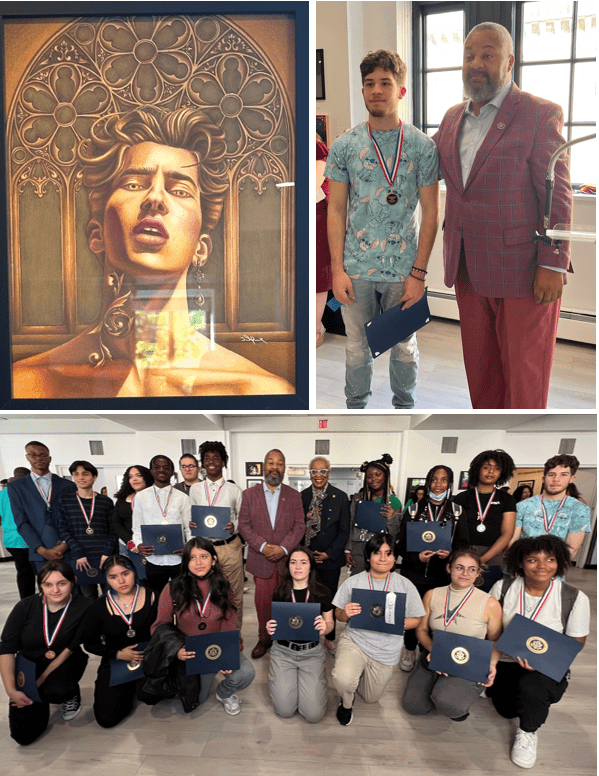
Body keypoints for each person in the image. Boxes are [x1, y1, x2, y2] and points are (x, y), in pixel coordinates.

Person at [12, 107, 293, 398]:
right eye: (133, 184)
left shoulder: (256, 389)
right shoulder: (26, 384)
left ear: (201, 247)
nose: (155, 198)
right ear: (97, 236)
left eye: (180, 190)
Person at [433, 22, 572, 409]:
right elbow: (421, 167)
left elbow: (557, 196)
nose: (476, 63)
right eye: (469, 55)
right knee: (481, 375)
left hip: (524, 270)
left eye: (488, 54)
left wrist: (554, 263)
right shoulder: (450, 118)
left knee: (525, 377)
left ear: (509, 61)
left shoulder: (539, 114)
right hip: (466, 268)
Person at [325, 49, 439, 409]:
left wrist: (418, 273)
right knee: (357, 344)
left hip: (404, 271)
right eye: (369, 83)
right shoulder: (344, 146)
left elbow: (432, 213)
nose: (377, 90)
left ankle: (404, 406)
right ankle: (355, 407)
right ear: (362, 91)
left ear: (401, 91)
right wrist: (337, 269)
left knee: (404, 344)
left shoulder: (422, 146)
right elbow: (336, 209)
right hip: (356, 270)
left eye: (385, 83)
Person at [488, 536, 589, 768]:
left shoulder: (573, 597)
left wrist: (541, 661)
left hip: (545, 664)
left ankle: (528, 732)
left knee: (533, 690)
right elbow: (490, 629)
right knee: (505, 710)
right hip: (505, 659)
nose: (542, 566)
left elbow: (576, 642)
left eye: (550, 559)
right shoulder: (502, 588)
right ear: (520, 563)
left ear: (560, 562)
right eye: (533, 559)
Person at [146, 538, 255, 715]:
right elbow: (159, 626)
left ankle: (223, 693)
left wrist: (226, 657)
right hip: (189, 653)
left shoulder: (223, 586)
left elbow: (229, 623)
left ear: (214, 560)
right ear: (186, 561)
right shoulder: (173, 588)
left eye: (204, 556)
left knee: (246, 673)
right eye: (192, 558)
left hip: (216, 648)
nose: (198, 563)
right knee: (198, 700)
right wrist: (177, 650)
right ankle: (199, 677)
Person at [332, 534, 424, 725]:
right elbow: (337, 614)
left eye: (388, 553)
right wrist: (345, 613)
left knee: (370, 697)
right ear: (368, 557)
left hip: (386, 650)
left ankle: (356, 678)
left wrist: (401, 622)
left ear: (394, 557)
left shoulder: (405, 585)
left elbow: (417, 619)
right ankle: (346, 703)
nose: (383, 558)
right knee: (343, 680)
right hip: (356, 641)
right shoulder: (354, 582)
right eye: (377, 553)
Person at [402, 549, 502, 721]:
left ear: (478, 572)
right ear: (449, 568)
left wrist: (492, 664)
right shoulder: (432, 594)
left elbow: (495, 639)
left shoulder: (490, 603)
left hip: (467, 659)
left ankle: (455, 694)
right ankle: (443, 689)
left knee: (449, 704)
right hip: (433, 654)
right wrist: (435, 651)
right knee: (413, 706)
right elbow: (421, 630)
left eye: (472, 569)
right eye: (459, 567)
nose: (465, 573)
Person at [0, 560, 90, 745]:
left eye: (62, 583)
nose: (55, 590)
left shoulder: (84, 606)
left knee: (56, 691)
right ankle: (41, 699)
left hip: (65, 661)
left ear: (73, 581)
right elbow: (7, 649)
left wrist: (38, 684)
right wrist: (11, 690)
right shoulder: (25, 606)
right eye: (47, 584)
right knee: (23, 737)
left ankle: (70, 694)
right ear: (40, 585)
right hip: (28, 665)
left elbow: (73, 646)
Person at [238, 449, 305, 659]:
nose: (275, 467)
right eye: (270, 462)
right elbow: (244, 525)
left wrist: (283, 549)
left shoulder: (294, 496)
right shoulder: (249, 495)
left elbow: (299, 526)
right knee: (263, 604)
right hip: (261, 560)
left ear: (284, 468)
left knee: (288, 602)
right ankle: (264, 639)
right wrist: (264, 546)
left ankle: (285, 638)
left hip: (287, 562)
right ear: (264, 466)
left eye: (280, 463)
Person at [83, 554, 158, 728]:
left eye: (125, 573)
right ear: (107, 579)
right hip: (116, 661)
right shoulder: (98, 607)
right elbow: (89, 644)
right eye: (113, 577)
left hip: (148, 657)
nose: (121, 581)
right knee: (106, 719)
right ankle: (127, 688)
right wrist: (118, 654)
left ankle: (137, 685)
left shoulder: (153, 597)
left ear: (134, 572)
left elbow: (164, 631)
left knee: (151, 696)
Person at [396, 465, 459, 671]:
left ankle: (429, 651)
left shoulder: (456, 511)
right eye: (434, 480)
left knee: (435, 616)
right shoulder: (413, 510)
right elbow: (401, 545)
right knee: (411, 613)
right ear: (427, 482)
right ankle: (409, 648)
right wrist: (417, 557)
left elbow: (463, 544)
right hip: (414, 574)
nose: (438, 485)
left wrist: (451, 556)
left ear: (449, 484)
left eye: (443, 480)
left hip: (442, 576)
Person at [266, 546, 334, 722]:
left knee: (314, 715)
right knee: (284, 710)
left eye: (303, 562)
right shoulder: (280, 592)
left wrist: (325, 628)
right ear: (288, 567)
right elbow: (276, 622)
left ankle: (310, 685)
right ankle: (285, 680)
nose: (298, 566)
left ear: (310, 566)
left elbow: (331, 623)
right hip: (283, 652)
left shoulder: (322, 592)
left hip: (311, 653)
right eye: (293, 562)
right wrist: (270, 627)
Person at [189, 442, 244, 630]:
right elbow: (192, 517)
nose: (211, 462)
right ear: (202, 464)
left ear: (223, 462)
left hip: (229, 546)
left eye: (216, 458)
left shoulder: (234, 490)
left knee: (234, 594)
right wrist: (192, 524)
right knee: (206, 593)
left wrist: (234, 526)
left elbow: (242, 518)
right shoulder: (195, 489)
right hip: (204, 548)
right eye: (207, 458)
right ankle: (212, 633)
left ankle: (235, 637)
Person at [300, 457, 350, 650]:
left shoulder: (341, 497)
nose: (318, 475)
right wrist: (305, 555)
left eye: (322, 471)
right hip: (306, 560)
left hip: (330, 561)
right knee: (307, 598)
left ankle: (329, 637)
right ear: (309, 473)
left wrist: (329, 554)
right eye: (314, 471)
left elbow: (344, 530)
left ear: (329, 473)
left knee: (328, 599)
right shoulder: (302, 496)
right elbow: (297, 527)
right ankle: (307, 634)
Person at [452, 449, 517, 589]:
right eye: (486, 467)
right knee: (458, 592)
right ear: (477, 470)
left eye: (496, 468)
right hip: (463, 552)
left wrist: (481, 560)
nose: (491, 472)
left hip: (492, 555)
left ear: (502, 472)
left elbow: (507, 534)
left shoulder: (507, 499)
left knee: (486, 595)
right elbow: (453, 530)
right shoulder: (461, 498)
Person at [8, 441, 76, 569]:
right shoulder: (17, 487)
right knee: (48, 586)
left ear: (49, 458)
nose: (39, 458)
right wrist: (40, 549)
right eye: (33, 455)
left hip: (68, 549)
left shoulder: (67, 485)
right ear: (27, 457)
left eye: (43, 455)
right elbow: (21, 521)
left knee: (73, 587)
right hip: (40, 551)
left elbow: (74, 519)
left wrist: (65, 545)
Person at [511, 455, 591, 560]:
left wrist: (549, 572)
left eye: (563, 475)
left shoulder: (580, 509)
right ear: (544, 478)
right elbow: (512, 543)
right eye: (551, 474)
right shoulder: (522, 506)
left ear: (572, 478)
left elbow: (571, 549)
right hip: (521, 568)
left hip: (554, 571)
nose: (556, 479)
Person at [57, 460, 117, 598]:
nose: (80, 477)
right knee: (87, 598)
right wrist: (78, 552)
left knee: (110, 596)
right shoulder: (65, 501)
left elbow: (112, 530)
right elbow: (63, 529)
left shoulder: (105, 501)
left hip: (104, 556)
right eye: (76, 474)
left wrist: (108, 552)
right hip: (80, 557)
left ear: (94, 477)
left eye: (85, 474)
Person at [132, 455, 191, 593]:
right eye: (157, 467)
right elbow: (137, 527)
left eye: (166, 467)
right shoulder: (141, 497)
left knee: (182, 596)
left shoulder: (182, 497)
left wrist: (188, 547)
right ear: (151, 471)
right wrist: (139, 544)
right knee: (157, 597)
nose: (161, 470)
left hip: (178, 559)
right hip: (153, 559)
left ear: (171, 471)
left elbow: (188, 528)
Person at [346, 454, 402, 576]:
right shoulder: (357, 499)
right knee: (357, 583)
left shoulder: (394, 502)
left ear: (386, 476)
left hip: (380, 550)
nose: (373, 479)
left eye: (378, 474)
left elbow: (395, 534)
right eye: (369, 476)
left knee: (378, 583)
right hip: (358, 549)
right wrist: (347, 550)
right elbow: (350, 524)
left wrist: (392, 518)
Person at [0, 467, 36, 599]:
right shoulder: (26, 491)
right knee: (40, 571)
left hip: (11, 540)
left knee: (23, 572)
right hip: (29, 538)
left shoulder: (3, 493)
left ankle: (26, 601)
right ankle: (42, 601)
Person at [110, 465, 154, 551]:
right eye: (131, 477)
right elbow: (116, 523)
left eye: (139, 475)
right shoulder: (122, 500)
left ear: (147, 478)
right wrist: (130, 542)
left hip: (150, 544)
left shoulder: (156, 498)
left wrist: (140, 543)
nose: (134, 479)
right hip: (128, 546)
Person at [316, 134, 332, 348]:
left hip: (319, 220)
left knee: (319, 278)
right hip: (309, 219)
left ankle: (317, 329)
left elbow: (312, 189)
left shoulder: (317, 149)